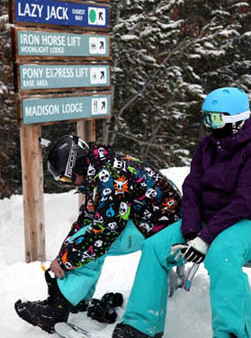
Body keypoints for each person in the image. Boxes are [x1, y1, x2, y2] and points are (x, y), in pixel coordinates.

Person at [108, 86, 251, 338]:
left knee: (221, 255)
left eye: (215, 119)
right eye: (206, 118)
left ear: (236, 120)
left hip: (246, 223)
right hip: (205, 221)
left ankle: (233, 332)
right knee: (155, 247)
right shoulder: (207, 146)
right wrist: (192, 231)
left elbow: (244, 202)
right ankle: (141, 324)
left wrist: (205, 238)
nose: (209, 125)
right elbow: (192, 188)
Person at [14, 135, 182, 337]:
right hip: (148, 219)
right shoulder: (99, 168)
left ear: (77, 167)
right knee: (83, 237)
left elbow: (103, 234)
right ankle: (75, 299)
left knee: (92, 242)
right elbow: (87, 217)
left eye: (67, 179)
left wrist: (66, 260)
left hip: (162, 226)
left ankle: (56, 309)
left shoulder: (108, 179)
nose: (69, 185)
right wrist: (65, 252)